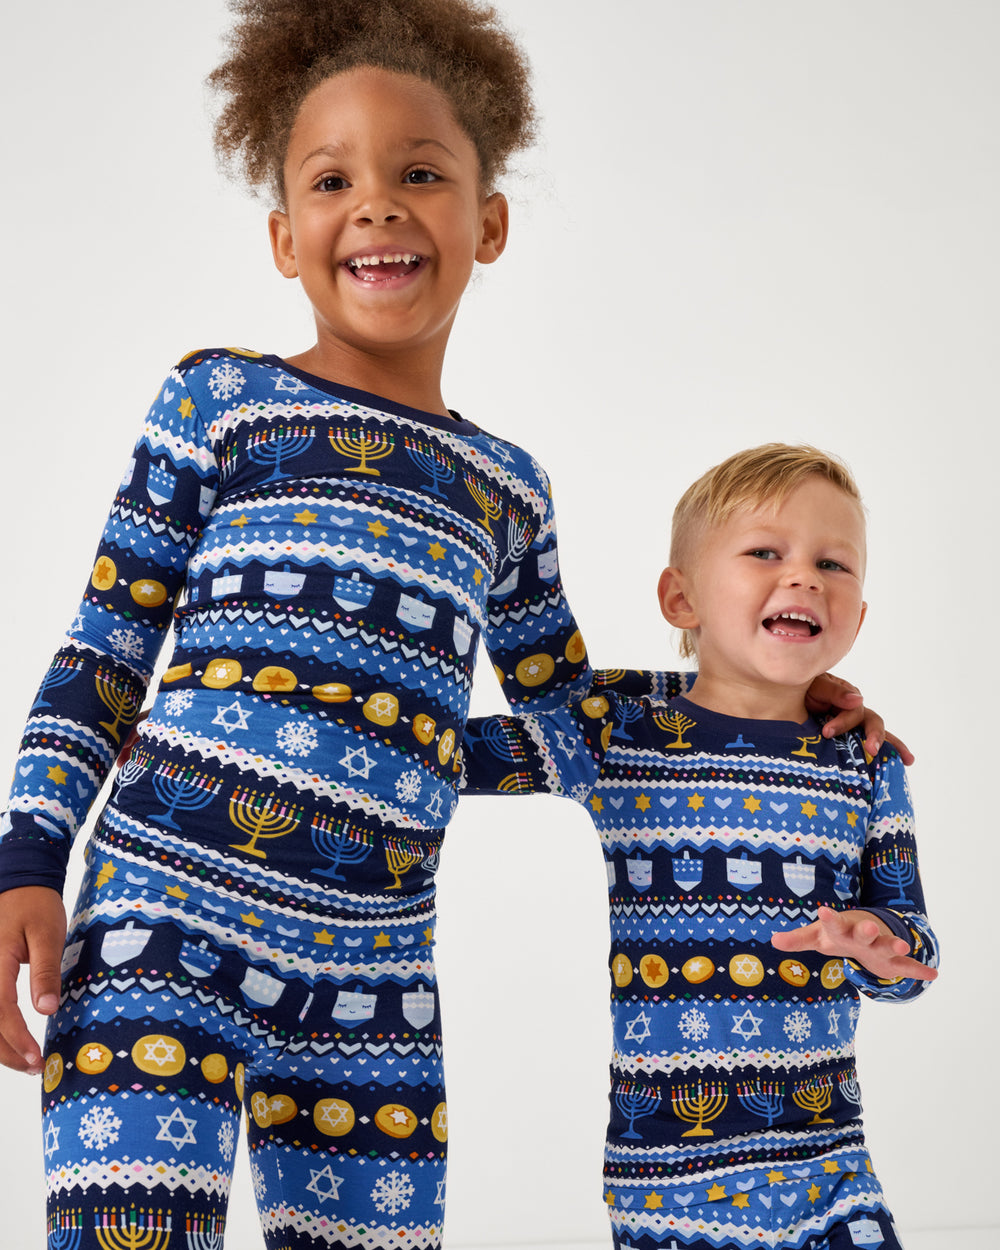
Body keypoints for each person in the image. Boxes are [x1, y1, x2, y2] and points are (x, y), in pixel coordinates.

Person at [0, 3, 596, 1245]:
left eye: (419, 173)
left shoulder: (506, 487)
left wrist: (769, 695)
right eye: (333, 180)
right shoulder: (221, 400)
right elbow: (106, 646)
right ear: (285, 236)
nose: (376, 206)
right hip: (158, 933)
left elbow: (571, 726)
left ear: (487, 221)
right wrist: (24, 855)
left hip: (376, 988)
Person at [460, 443, 938, 1250]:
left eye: (834, 563)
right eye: (764, 553)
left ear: (857, 617)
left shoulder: (866, 761)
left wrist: (879, 945)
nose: (805, 578)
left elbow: (916, 957)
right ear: (680, 598)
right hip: (669, 1176)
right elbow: (448, 756)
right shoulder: (620, 733)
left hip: (828, 1165)